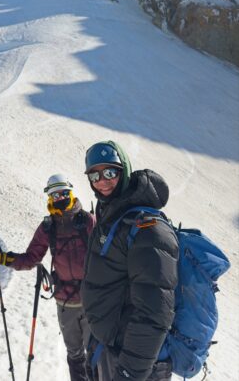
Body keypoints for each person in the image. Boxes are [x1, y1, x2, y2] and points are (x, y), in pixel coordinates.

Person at [81, 141, 179, 381]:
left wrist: (129, 373)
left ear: (124, 169)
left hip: (137, 365)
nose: (102, 181)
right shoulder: (111, 213)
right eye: (95, 174)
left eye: (110, 172)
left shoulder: (148, 229)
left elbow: (154, 313)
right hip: (111, 348)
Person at [0, 174, 95, 381]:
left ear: (71, 193)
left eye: (64, 193)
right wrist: (4, 258)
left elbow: (106, 252)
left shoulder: (87, 221)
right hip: (65, 302)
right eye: (55, 195)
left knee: (95, 353)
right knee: (74, 353)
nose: (60, 198)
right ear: (49, 198)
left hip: (92, 299)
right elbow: (31, 259)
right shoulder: (48, 227)